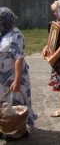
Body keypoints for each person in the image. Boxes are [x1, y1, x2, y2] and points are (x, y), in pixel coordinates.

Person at [0, 8, 37, 141]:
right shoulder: (4, 33)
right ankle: (4, 126)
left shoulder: (16, 35)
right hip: (3, 77)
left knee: (18, 102)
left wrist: (17, 80)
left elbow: (18, 59)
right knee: (4, 103)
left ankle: (22, 130)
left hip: (14, 76)